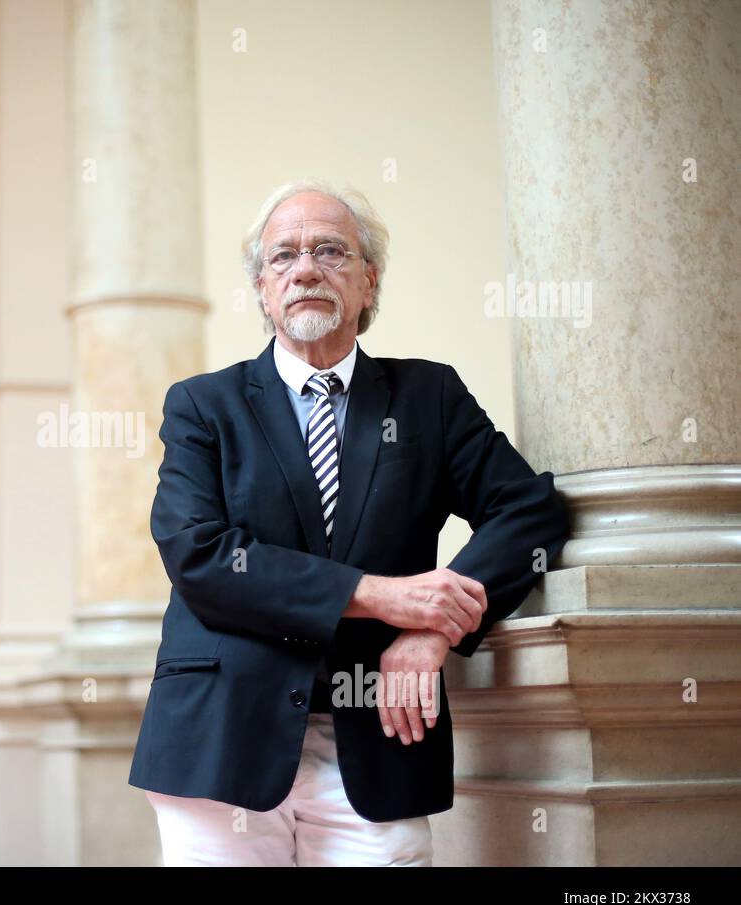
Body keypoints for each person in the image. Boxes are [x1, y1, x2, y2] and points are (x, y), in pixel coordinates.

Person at [127, 181, 570, 866]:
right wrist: (381, 596)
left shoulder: (429, 398)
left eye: (331, 250)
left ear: (369, 282)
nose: (305, 269)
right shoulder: (203, 407)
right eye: (283, 257)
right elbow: (201, 556)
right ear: (262, 289)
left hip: (379, 741)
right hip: (221, 739)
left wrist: (434, 626)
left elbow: (529, 511)